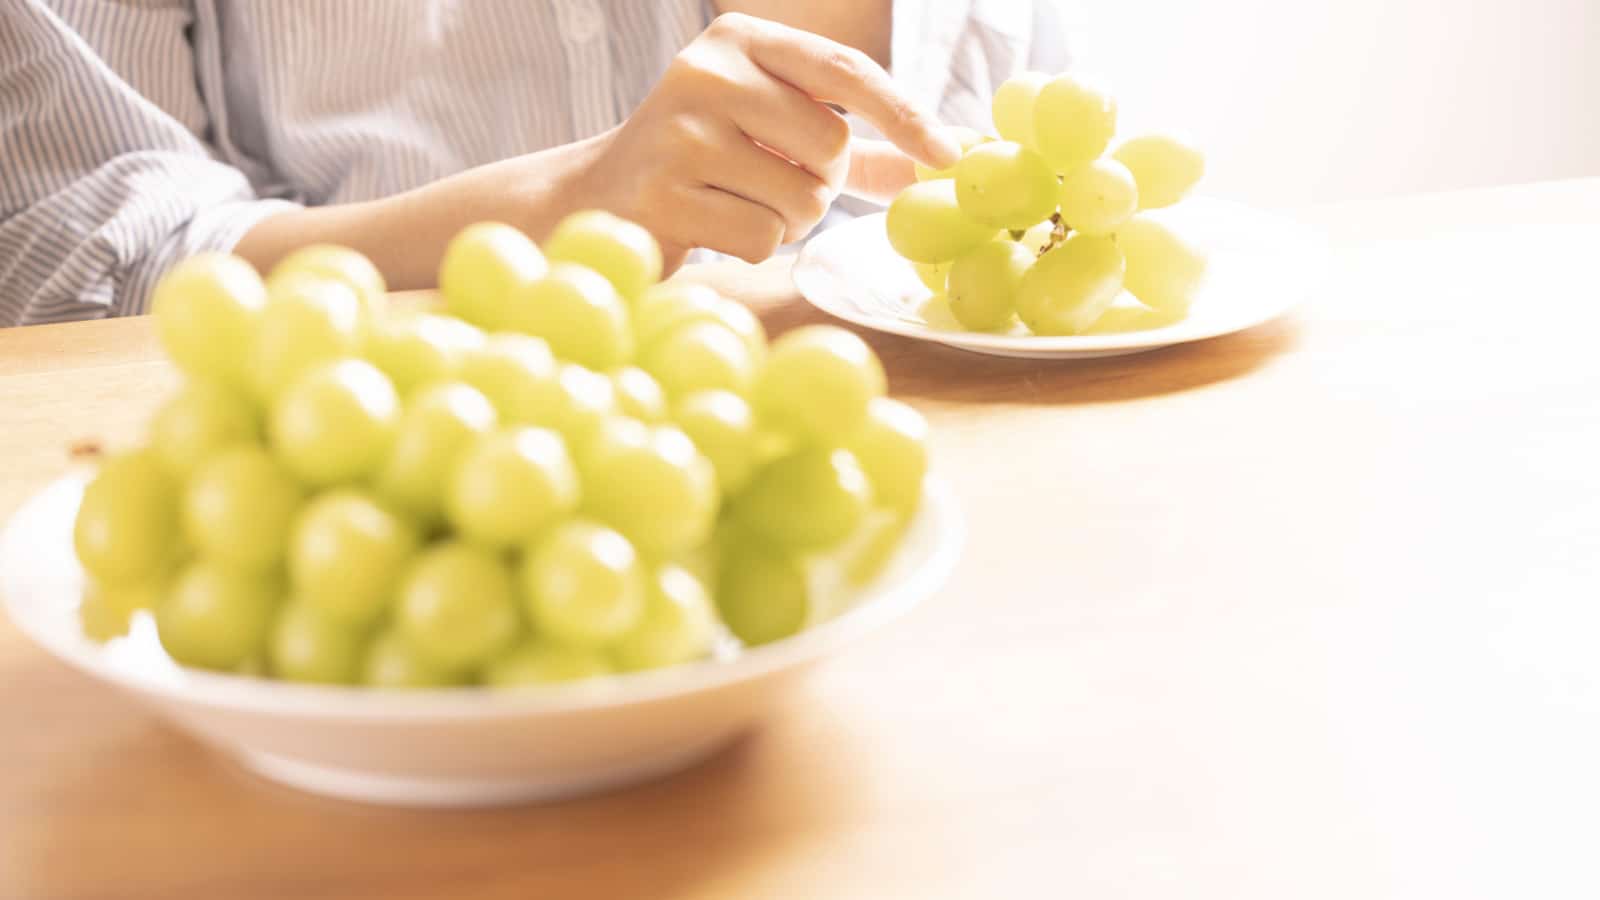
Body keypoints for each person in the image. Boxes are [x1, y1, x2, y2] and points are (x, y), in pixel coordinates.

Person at [0, 1, 1069, 327]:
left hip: (854, 485)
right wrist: (551, 211)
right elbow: (69, 248)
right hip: (362, 502)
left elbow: (991, 183)